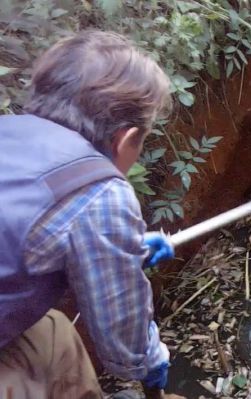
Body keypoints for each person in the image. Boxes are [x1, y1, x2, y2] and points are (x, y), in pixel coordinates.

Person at [0, 31, 182, 398]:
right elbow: (122, 339)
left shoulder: (10, 132)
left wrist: (121, 249)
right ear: (127, 139)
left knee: (53, 333)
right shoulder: (98, 194)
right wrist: (148, 358)